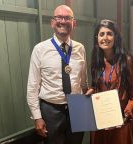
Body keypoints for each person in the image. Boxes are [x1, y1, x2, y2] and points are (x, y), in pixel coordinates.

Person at [27, 5, 88, 144]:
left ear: (74, 23)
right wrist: (37, 117)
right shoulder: (40, 49)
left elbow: (83, 81)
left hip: (77, 107)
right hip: (51, 110)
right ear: (52, 22)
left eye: (67, 18)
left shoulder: (80, 48)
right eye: (59, 17)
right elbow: (32, 86)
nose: (63, 21)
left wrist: (88, 95)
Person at [86, 19, 133, 144]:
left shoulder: (126, 60)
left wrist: (125, 115)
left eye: (109, 33)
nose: (105, 37)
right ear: (97, 38)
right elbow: (97, 86)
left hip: (120, 119)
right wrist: (91, 91)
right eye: (101, 34)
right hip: (100, 119)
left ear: (116, 37)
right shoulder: (96, 59)